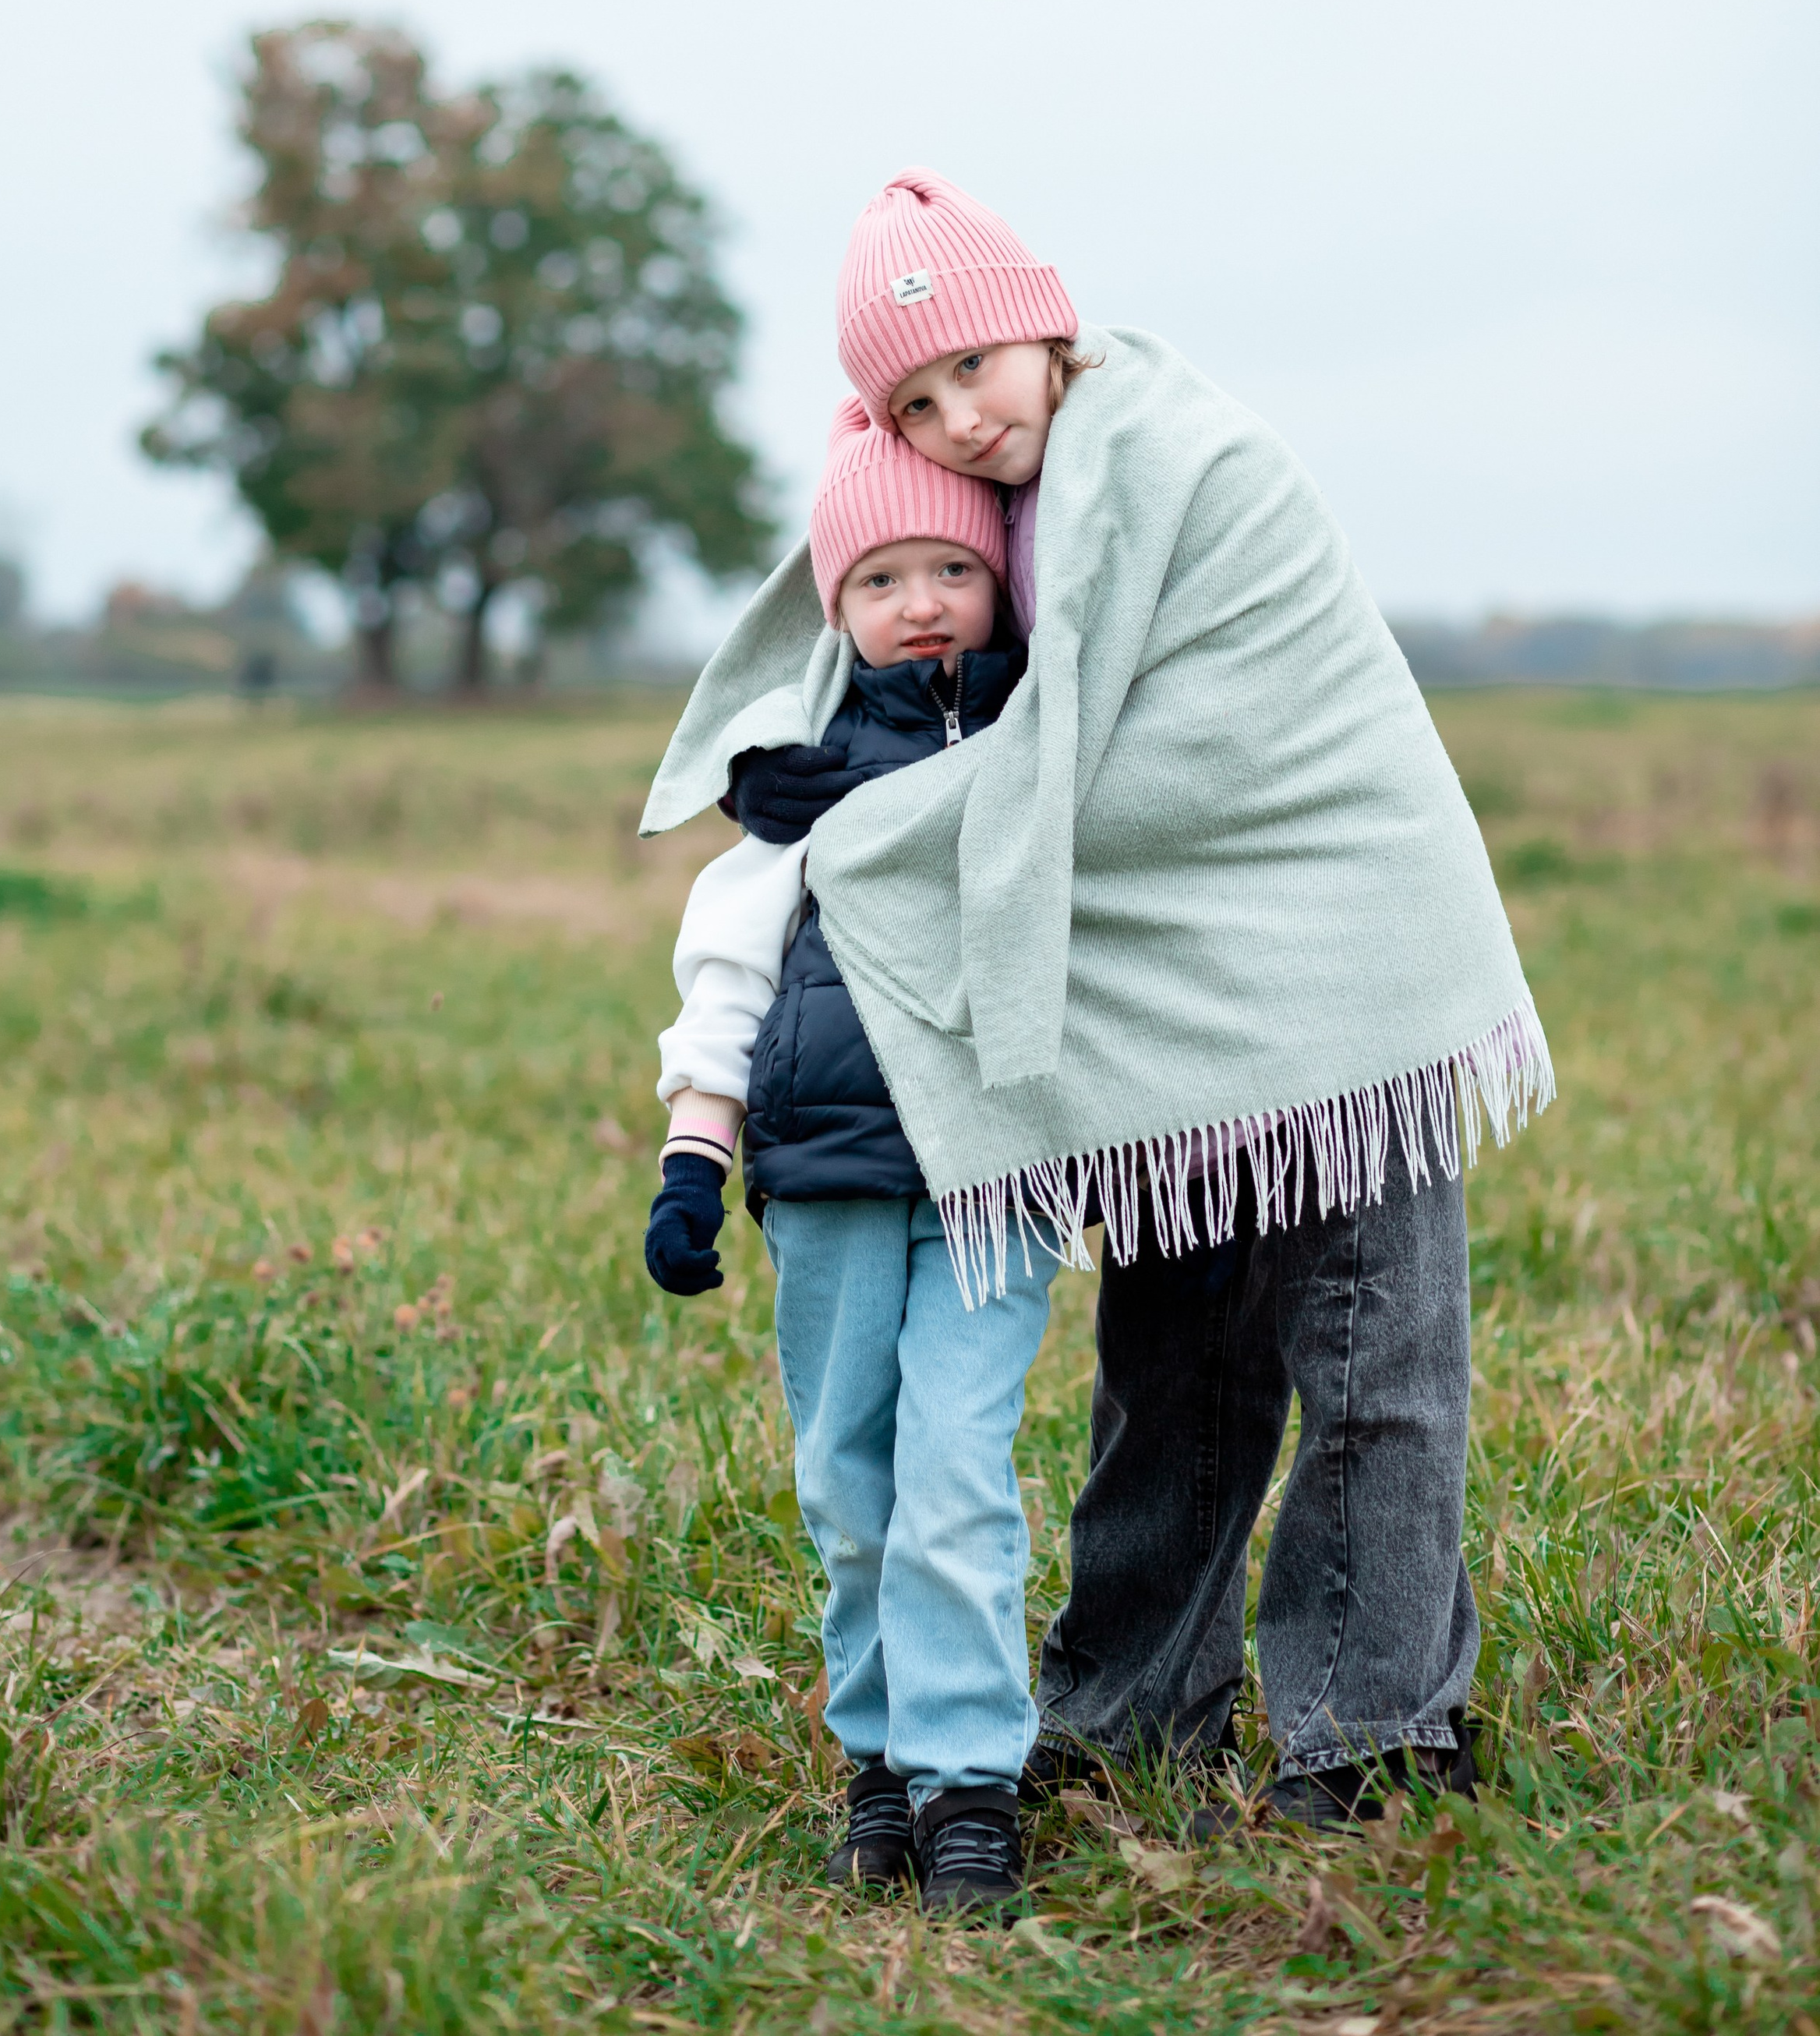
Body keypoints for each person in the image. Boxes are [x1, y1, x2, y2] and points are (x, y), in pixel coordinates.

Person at [642, 171, 1555, 1840]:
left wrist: (869, 823)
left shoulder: (1172, 457)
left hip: (1347, 958)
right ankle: (1130, 1709)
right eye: (914, 402)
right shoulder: (1028, 488)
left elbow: (1146, 748)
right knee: (1176, 1347)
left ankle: (1369, 1737)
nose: (959, 417)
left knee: (1370, 1352)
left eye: (970, 368)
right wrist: (808, 749)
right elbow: (890, 602)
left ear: (1039, 322)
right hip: (1168, 998)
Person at [643, 398, 1048, 1918]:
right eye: (879, 578)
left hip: (996, 1179)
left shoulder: (1046, 753)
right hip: (825, 1179)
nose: (919, 601)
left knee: (957, 1474)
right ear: (836, 606)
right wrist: (693, 1159)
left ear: (1003, 580)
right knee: (849, 1482)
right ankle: (877, 1763)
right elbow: (727, 980)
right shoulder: (794, 790)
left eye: (952, 569)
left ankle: (969, 1788)